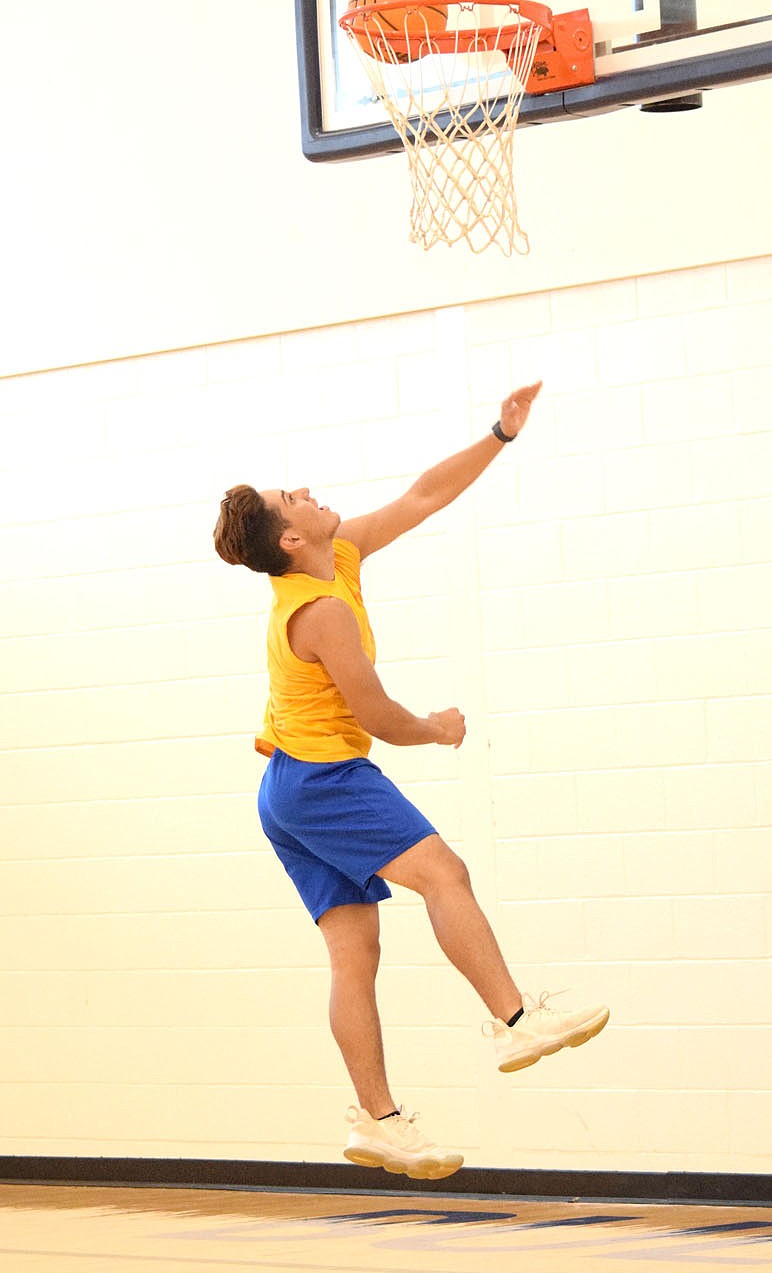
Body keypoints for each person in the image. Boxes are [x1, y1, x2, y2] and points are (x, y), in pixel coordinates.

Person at [213, 383, 608, 1180]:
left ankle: (379, 1120)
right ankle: (515, 1018)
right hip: (325, 782)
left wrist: (499, 434)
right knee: (444, 873)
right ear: (289, 537)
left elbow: (425, 495)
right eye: (294, 495)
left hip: (287, 790)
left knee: (353, 957)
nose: (310, 491)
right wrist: (436, 728)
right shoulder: (316, 609)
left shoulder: (341, 552)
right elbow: (380, 714)